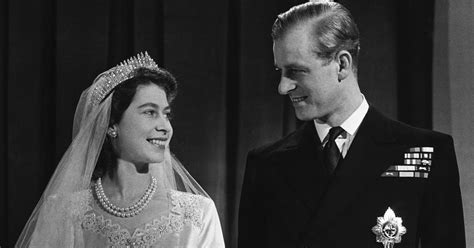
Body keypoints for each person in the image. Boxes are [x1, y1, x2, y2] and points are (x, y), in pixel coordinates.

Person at [238, 1, 465, 248]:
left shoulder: (424, 154)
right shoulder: (266, 166)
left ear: (342, 65)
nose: (283, 87)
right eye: (279, 71)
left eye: (296, 71)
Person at [16, 52, 225, 247]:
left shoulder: (198, 215)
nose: (165, 127)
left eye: (167, 114)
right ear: (112, 124)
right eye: (150, 112)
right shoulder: (62, 212)